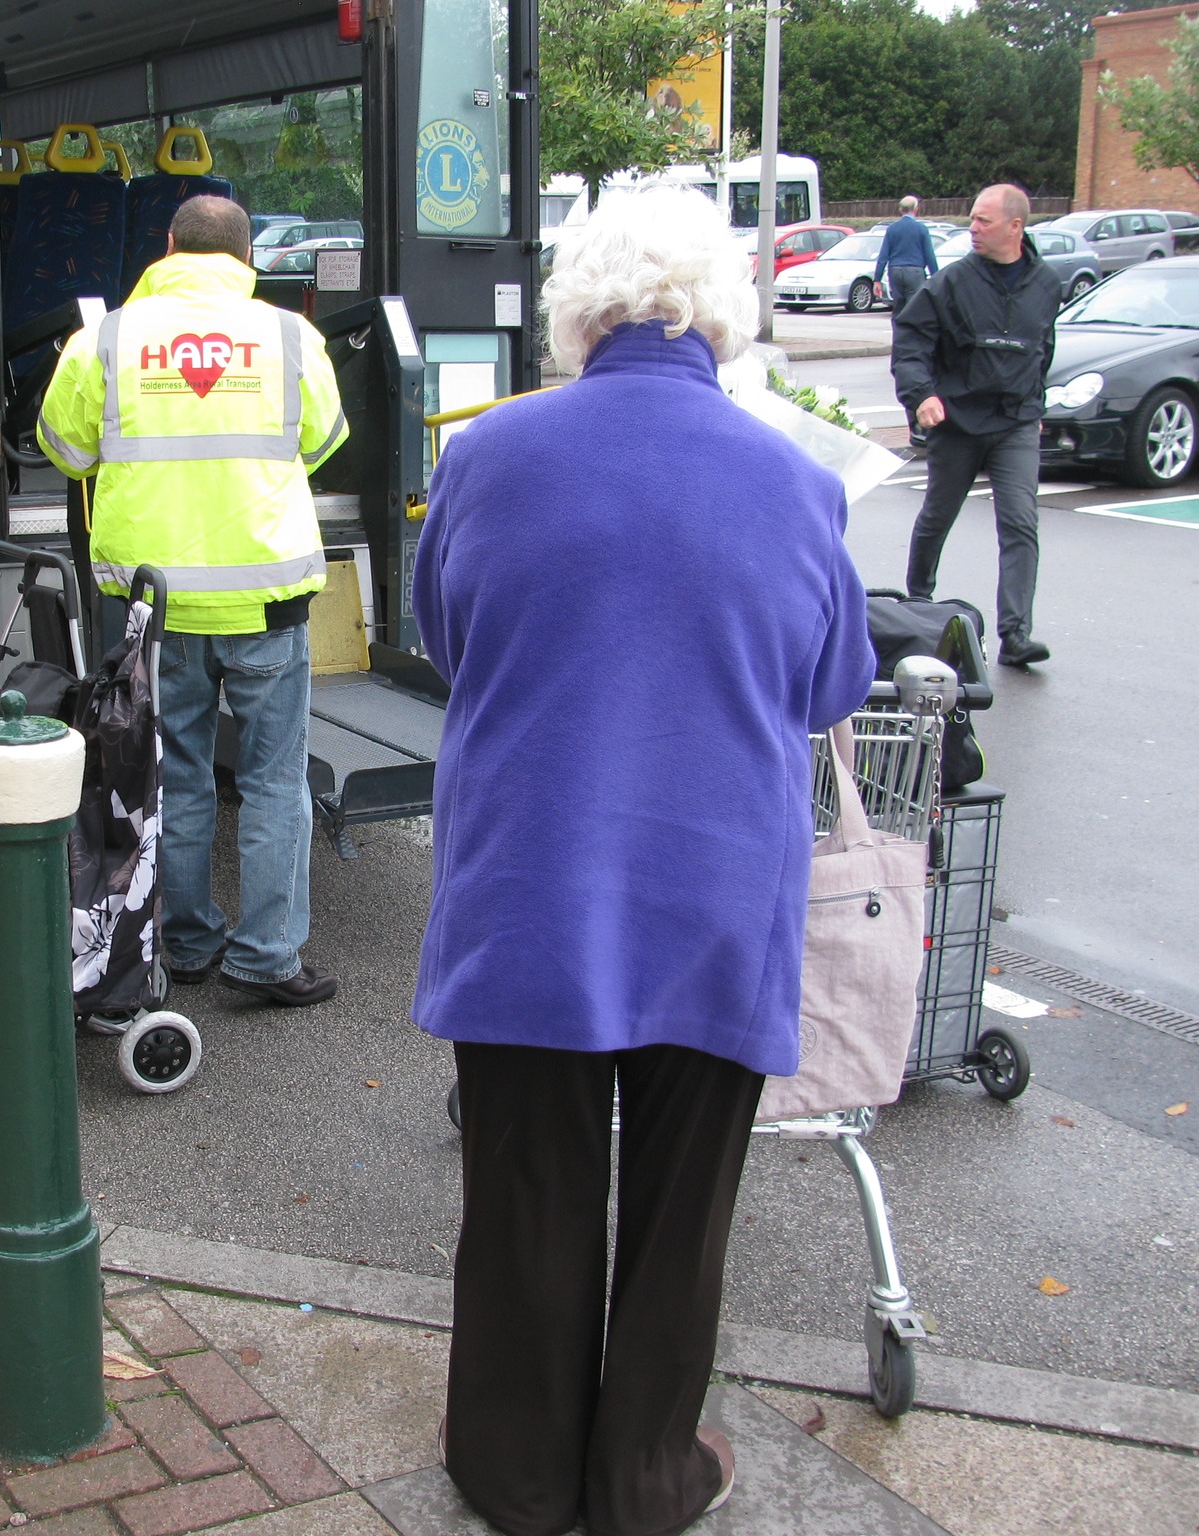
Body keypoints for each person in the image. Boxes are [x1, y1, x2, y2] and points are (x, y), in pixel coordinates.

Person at [412, 185, 875, 1536]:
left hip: (531, 879)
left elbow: (451, 635)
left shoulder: (490, 456)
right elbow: (831, 680)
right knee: (683, 1209)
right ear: (723, 316)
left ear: (576, 313)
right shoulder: (793, 479)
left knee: (524, 1193)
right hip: (717, 887)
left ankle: (516, 1468)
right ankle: (646, 1478)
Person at [37, 194, 349, 1005]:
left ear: (168, 247)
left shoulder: (104, 338)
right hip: (267, 597)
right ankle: (268, 957)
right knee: (277, 782)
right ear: (247, 258)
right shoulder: (289, 336)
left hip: (156, 607)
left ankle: (186, 943)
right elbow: (320, 441)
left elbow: (64, 447)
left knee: (171, 775)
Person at [893, 183, 1064, 667]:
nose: (972, 227)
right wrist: (921, 395)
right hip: (958, 421)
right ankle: (918, 604)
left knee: (1019, 521)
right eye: (971, 218)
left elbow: (1042, 350)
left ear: (1016, 226)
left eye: (983, 220)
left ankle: (1016, 634)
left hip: (1016, 423)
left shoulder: (1047, 284)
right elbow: (911, 339)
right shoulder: (951, 283)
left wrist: (1036, 404)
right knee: (937, 516)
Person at [873, 195, 940, 445]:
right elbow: (929, 255)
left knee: (899, 314)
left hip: (896, 271)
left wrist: (877, 278)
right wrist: (937, 279)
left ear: (900, 209)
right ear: (916, 209)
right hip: (914, 271)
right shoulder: (921, 228)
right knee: (917, 315)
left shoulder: (892, 228)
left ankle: (900, 341)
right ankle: (911, 342)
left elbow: (884, 254)